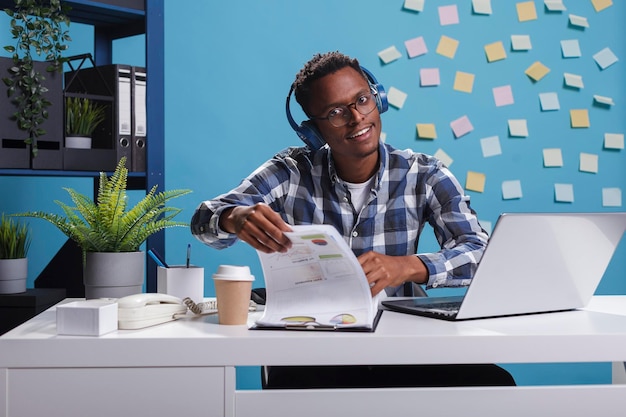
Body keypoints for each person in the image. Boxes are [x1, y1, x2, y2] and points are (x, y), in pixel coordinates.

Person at [191, 51, 515, 388]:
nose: (356, 117)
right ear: (311, 132)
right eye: (335, 112)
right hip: (313, 350)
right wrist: (233, 217)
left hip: (401, 346)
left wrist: (407, 266)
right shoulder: (290, 172)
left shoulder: (425, 173)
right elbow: (204, 219)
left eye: (362, 100)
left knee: (495, 384)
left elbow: (480, 253)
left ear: (378, 99)